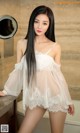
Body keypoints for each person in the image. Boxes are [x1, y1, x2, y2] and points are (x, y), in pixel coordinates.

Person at [0, 5, 74, 133]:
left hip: (56, 97)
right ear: (32, 21)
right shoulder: (22, 44)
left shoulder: (55, 46)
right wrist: (6, 90)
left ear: (49, 25)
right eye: (36, 21)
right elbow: (18, 71)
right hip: (36, 97)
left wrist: (68, 100)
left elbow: (58, 76)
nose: (40, 26)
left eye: (44, 23)